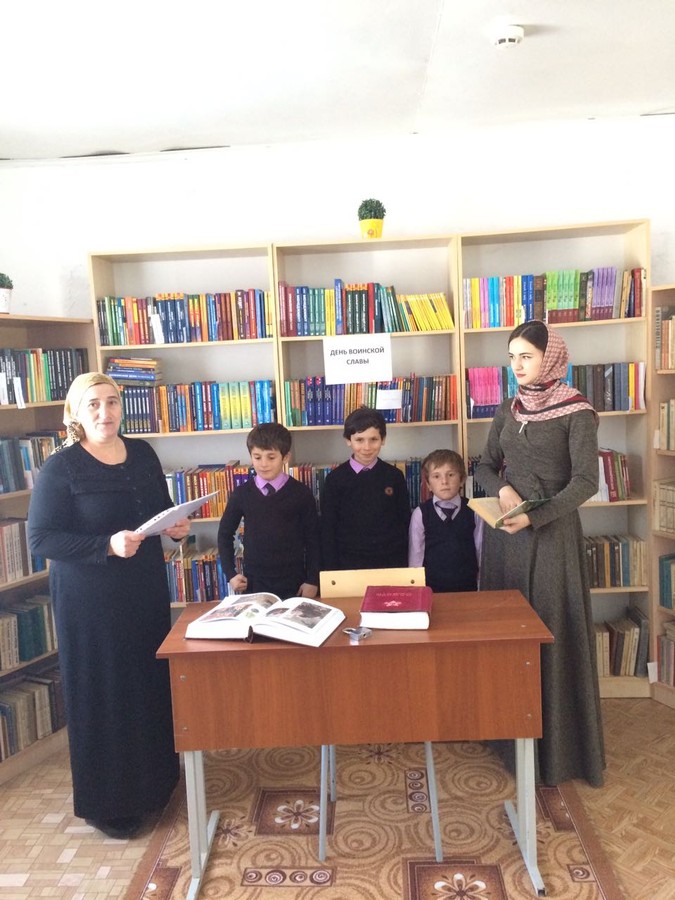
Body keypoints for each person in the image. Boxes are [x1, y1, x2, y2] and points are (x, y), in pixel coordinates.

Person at [27, 372, 190, 839]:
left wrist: (175, 528)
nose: (105, 412)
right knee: (106, 692)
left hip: (143, 591)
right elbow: (41, 539)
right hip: (91, 603)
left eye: (112, 401)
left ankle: (156, 785)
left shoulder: (143, 453)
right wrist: (106, 545)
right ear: (76, 414)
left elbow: (159, 508)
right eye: (94, 404)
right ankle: (111, 804)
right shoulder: (61, 467)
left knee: (146, 683)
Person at [475, 319, 605, 787]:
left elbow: (586, 482)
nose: (517, 366)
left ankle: (557, 753)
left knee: (549, 630)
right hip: (506, 537)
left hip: (551, 536)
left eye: (526, 356)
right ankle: (506, 739)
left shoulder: (577, 411)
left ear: (550, 358)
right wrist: (503, 489)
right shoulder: (508, 408)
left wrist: (537, 515)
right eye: (512, 357)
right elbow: (484, 466)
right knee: (506, 632)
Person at [217, 422, 320, 598]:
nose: (263, 464)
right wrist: (230, 573)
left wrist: (312, 579)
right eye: (257, 457)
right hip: (254, 582)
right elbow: (224, 534)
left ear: (285, 457)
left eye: (271, 457)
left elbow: (314, 539)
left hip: (294, 582)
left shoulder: (301, 493)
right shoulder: (242, 494)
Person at [320, 406, 410, 570]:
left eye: (373, 439)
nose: (367, 447)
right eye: (359, 440)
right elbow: (328, 528)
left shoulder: (394, 476)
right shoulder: (335, 480)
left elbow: (404, 522)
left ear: (383, 439)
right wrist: (331, 571)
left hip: (390, 562)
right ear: (348, 440)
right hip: (348, 564)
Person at [408, 448, 482, 592]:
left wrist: (481, 586)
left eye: (451, 475)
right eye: (436, 476)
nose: (444, 482)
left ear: (462, 479)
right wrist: (416, 590)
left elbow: (480, 551)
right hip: (431, 589)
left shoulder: (474, 511)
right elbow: (416, 556)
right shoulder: (420, 514)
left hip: (468, 588)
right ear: (428, 484)